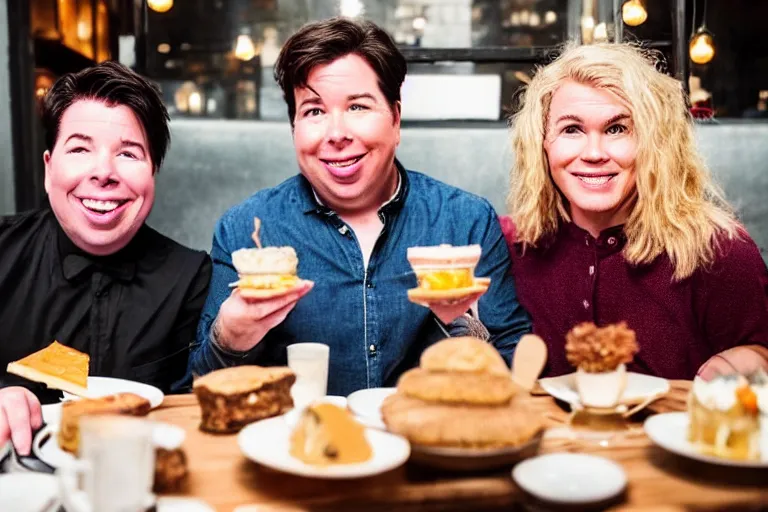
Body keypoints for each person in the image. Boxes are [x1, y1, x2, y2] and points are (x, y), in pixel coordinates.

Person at [190, 17, 531, 396]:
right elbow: (200, 386)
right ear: (294, 128)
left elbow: (517, 365)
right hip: (297, 445)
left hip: (428, 443)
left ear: (395, 119)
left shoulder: (465, 221)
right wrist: (230, 337)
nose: (337, 134)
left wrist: (464, 326)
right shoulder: (245, 229)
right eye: (314, 112)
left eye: (357, 107)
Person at [502, 42, 768, 380]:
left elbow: (759, 355)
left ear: (655, 142)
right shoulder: (512, 246)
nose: (594, 153)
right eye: (571, 129)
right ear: (542, 142)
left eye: (617, 129)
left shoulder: (719, 251)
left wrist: (740, 364)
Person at [0, 62, 212, 454]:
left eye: (128, 154)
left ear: (153, 172)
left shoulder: (190, 278)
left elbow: (196, 409)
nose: (103, 173)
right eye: (80, 149)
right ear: (49, 169)